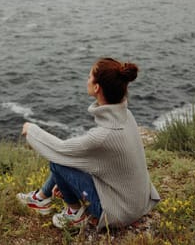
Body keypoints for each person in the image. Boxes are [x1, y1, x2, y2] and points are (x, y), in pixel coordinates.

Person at [17, 57, 160, 230]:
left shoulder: (104, 135)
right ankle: (41, 197)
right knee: (72, 159)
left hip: (118, 211)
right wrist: (66, 181)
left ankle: (75, 213)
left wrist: (31, 130)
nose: (87, 80)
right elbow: (94, 159)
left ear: (97, 87)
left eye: (89, 77)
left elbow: (60, 150)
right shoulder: (126, 116)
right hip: (138, 201)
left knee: (59, 160)